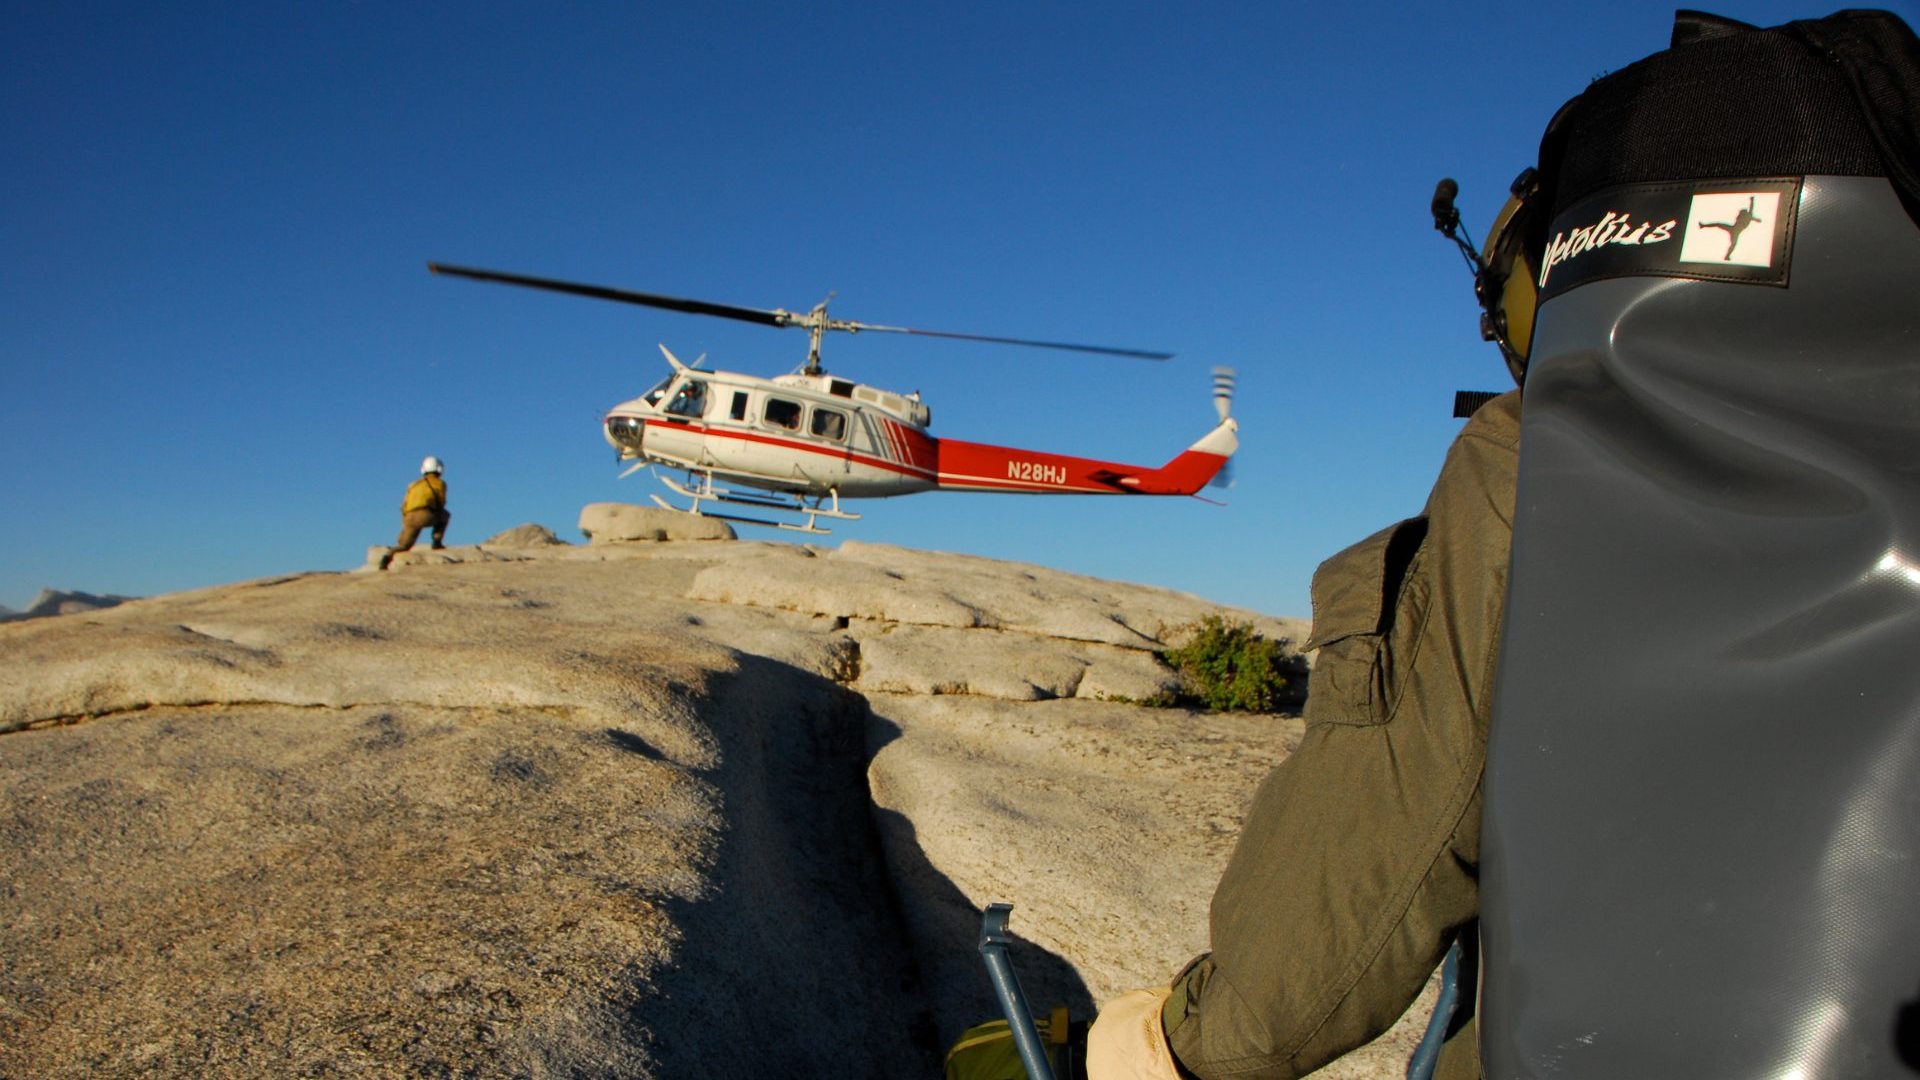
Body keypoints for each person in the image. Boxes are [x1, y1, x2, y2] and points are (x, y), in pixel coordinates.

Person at [394, 455, 450, 552]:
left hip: (409, 518)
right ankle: (437, 542)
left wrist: (406, 522)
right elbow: (441, 503)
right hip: (425, 516)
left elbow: (404, 505)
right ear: (440, 469)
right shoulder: (440, 483)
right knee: (445, 515)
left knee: (404, 546)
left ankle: (387, 558)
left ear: (423, 469)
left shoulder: (413, 484)